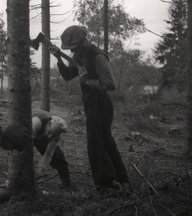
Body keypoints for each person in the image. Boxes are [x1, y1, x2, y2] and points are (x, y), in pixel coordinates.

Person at [49, 25, 129, 192]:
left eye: (74, 47)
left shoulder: (97, 55)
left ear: (83, 40)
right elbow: (68, 76)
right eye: (71, 49)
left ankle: (105, 183)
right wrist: (58, 58)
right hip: (91, 103)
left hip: (101, 103)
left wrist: (89, 82)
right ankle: (123, 179)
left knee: (96, 144)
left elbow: (110, 84)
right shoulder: (79, 55)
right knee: (106, 142)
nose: (73, 51)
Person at [32, 109, 71, 188]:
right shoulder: (36, 121)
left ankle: (67, 185)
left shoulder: (55, 133)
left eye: (53, 135)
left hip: (41, 134)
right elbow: (26, 146)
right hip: (27, 133)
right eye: (50, 133)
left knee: (58, 156)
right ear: (49, 124)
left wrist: (41, 168)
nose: (50, 136)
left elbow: (49, 154)